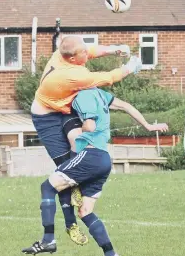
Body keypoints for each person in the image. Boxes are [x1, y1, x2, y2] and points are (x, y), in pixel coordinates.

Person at [23, 87, 169, 256]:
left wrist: (79, 128)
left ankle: (48, 239)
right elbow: (125, 106)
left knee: (48, 187)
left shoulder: (82, 95)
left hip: (90, 156)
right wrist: (149, 126)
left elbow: (90, 126)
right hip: (104, 160)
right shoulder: (100, 93)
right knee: (85, 211)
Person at [31, 35, 141, 245]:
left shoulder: (63, 54)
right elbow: (107, 78)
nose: (87, 53)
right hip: (47, 118)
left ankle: (79, 189)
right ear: (72, 58)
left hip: (64, 107)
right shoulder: (71, 76)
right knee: (63, 170)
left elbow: (89, 50)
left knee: (78, 146)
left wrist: (114, 49)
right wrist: (130, 67)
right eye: (83, 53)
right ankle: (70, 224)